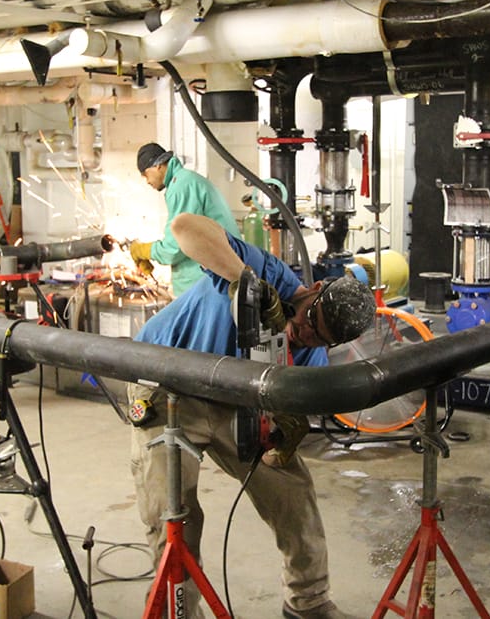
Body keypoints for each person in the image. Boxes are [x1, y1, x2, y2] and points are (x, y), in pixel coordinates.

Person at [127, 213, 375, 619]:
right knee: (173, 510)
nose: (302, 334)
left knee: (293, 493)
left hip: (236, 401)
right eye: (308, 320)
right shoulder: (266, 270)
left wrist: (285, 437)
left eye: (319, 337)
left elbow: (285, 423)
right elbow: (184, 227)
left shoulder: (310, 355)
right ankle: (180, 613)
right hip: (165, 386)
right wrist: (246, 282)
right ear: (312, 290)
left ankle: (308, 603)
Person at [128, 143, 240, 296]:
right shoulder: (184, 181)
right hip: (214, 278)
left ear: (158, 165)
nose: (147, 181)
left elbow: (175, 248)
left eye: (146, 174)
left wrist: (144, 250)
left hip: (208, 282)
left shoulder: (181, 186)